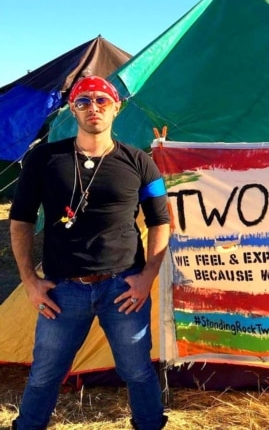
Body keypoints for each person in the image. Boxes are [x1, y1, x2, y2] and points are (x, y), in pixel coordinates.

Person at [9, 76, 170, 430]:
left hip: (123, 289)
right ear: (72, 109)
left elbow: (161, 222)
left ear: (116, 107)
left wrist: (147, 278)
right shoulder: (43, 159)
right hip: (62, 290)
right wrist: (30, 282)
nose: (92, 108)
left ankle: (150, 424)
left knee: (137, 371)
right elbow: (19, 220)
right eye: (83, 102)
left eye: (101, 100)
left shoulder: (141, 163)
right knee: (44, 373)